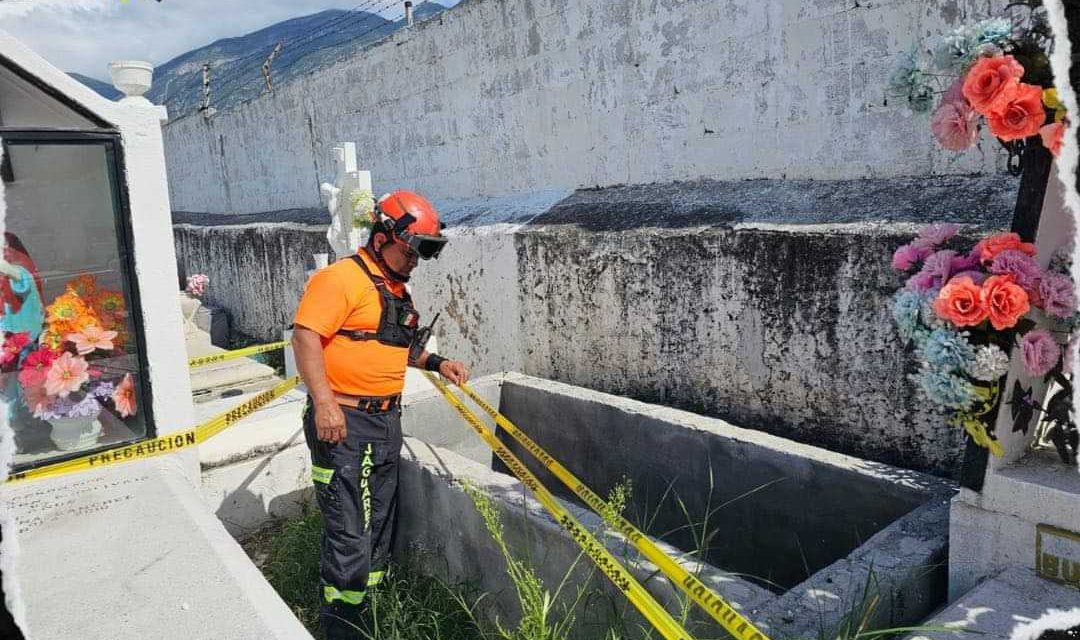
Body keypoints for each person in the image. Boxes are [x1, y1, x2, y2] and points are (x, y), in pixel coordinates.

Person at [291, 190, 469, 638]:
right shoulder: (341, 280)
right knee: (351, 529)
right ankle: (341, 627)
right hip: (346, 424)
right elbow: (306, 337)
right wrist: (326, 404)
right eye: (412, 251)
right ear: (384, 236)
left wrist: (436, 362)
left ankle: (370, 611)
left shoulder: (394, 290)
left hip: (386, 422)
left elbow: (398, 345)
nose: (415, 262)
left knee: (379, 523)